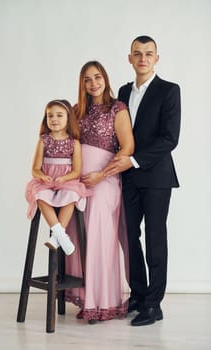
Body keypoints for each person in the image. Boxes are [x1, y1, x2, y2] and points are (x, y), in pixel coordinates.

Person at [104, 36, 181, 326]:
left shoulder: (169, 90)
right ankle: (137, 294)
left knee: (155, 238)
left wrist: (134, 160)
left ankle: (153, 304)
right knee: (129, 237)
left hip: (157, 176)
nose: (143, 58)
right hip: (128, 177)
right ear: (129, 58)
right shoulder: (123, 92)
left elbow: (170, 139)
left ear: (157, 58)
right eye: (137, 53)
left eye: (148, 54)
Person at [65, 61, 134, 324]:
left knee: (97, 232)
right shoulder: (75, 110)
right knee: (76, 232)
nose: (93, 83)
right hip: (79, 180)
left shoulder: (118, 108)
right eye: (87, 79)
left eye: (97, 77)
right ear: (81, 84)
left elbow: (127, 148)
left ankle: (102, 302)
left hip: (105, 180)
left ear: (105, 79)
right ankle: (85, 296)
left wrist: (100, 175)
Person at [25, 99, 91, 255]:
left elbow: (77, 171)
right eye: (50, 116)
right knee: (39, 195)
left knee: (72, 195)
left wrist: (65, 178)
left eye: (59, 115)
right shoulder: (43, 141)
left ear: (68, 119)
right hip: (46, 181)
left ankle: (56, 238)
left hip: (66, 182)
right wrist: (42, 176)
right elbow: (35, 169)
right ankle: (61, 235)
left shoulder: (74, 143)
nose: (54, 119)